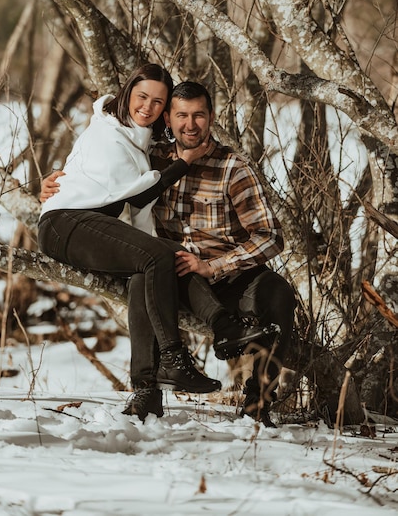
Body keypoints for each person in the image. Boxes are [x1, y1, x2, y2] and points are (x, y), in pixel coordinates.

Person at [38, 65, 272, 419]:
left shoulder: (139, 139)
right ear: (127, 93)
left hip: (86, 223)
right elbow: (134, 194)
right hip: (66, 223)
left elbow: (112, 188)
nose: (147, 106)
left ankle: (159, 382)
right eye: (141, 97)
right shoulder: (110, 133)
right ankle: (173, 360)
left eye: (157, 102)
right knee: (157, 258)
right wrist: (184, 163)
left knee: (156, 262)